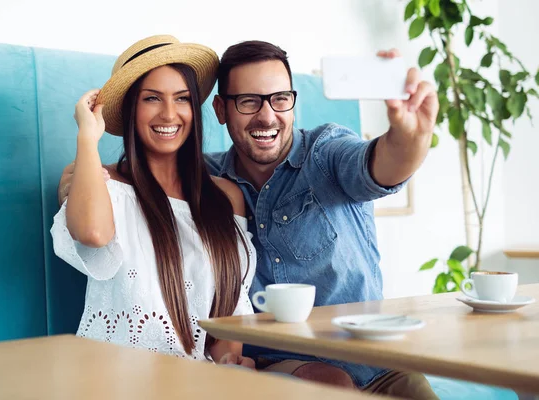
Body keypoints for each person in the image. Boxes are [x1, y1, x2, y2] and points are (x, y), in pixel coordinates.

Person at [58, 39, 439, 398]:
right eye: (249, 102)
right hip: (278, 368)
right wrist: (87, 167)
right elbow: (113, 211)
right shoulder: (202, 185)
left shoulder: (320, 155)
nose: (267, 115)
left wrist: (412, 136)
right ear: (221, 110)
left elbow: (383, 166)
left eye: (279, 99)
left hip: (373, 367)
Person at [50, 35, 256, 367]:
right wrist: (87, 136)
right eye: (152, 99)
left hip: (199, 385)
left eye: (182, 98)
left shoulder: (225, 197)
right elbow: (92, 233)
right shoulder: (102, 182)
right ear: (131, 109)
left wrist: (232, 365)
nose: (169, 114)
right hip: (113, 381)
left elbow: (228, 312)